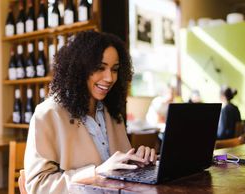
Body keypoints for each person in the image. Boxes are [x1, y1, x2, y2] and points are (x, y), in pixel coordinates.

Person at [23, 31, 157, 194]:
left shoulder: (113, 113)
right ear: (80, 68)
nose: (109, 78)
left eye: (114, 69)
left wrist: (138, 163)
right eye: (100, 68)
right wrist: (96, 173)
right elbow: (38, 187)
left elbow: (120, 171)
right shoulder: (48, 114)